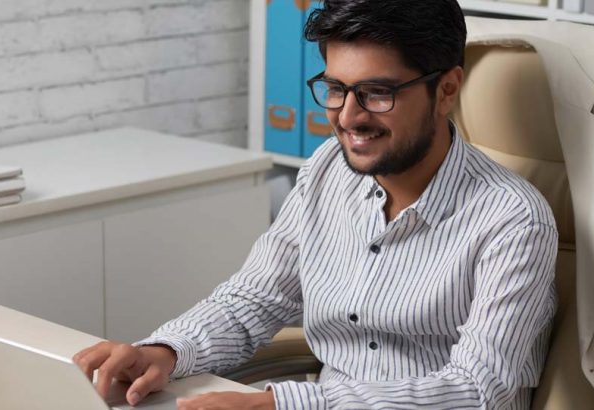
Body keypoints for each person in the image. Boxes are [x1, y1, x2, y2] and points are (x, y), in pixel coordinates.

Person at [73, 1, 558, 408]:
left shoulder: (512, 219)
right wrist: (167, 351)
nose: (348, 117)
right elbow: (254, 299)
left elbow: (477, 391)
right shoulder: (328, 167)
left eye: (376, 93)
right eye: (335, 89)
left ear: (446, 90)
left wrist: (284, 404)